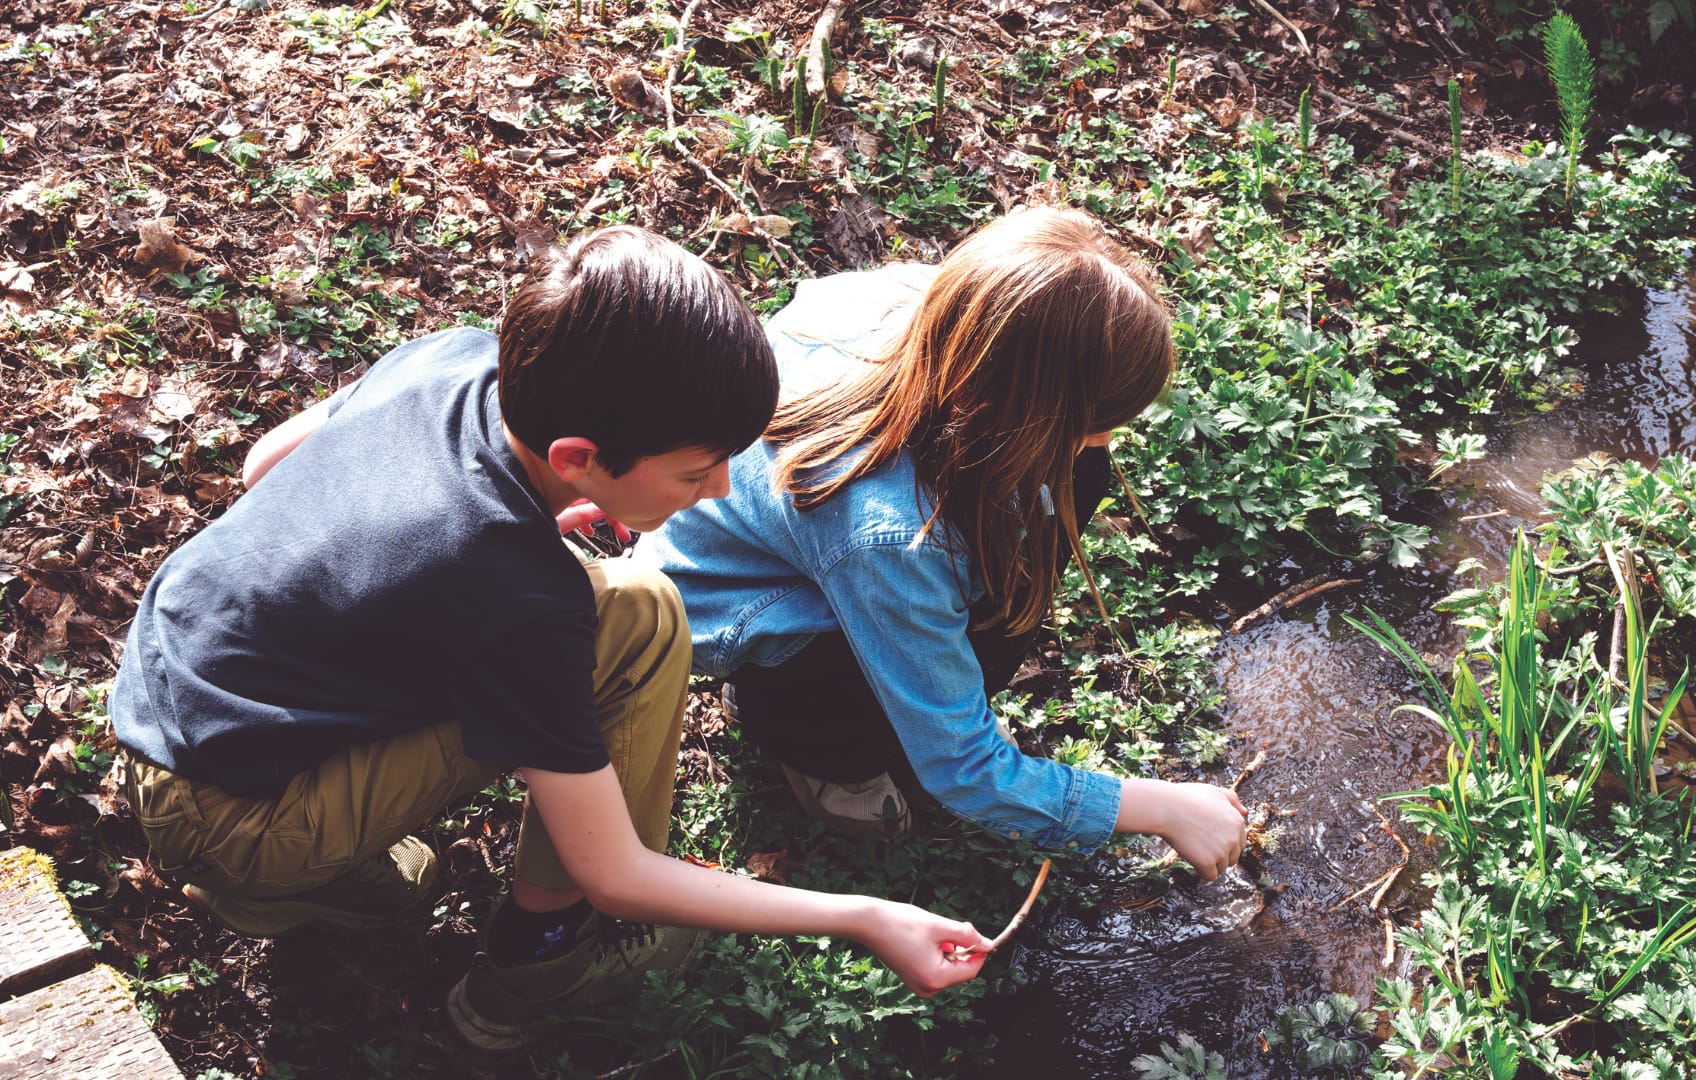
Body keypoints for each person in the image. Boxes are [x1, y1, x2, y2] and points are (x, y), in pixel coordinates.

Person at [109, 225, 987, 1053]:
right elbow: (617, 872)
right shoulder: (519, 597)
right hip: (232, 816)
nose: (720, 488)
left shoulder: (457, 360)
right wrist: (866, 915)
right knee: (637, 627)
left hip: (164, 691)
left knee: (618, 610)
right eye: (693, 470)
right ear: (576, 456)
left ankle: (302, 874)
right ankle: (545, 958)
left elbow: (265, 464)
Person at [650, 207, 1247, 876]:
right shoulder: (891, 535)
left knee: (1072, 484)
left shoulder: (951, 313)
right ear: (1004, 408)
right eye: (1090, 424)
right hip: (740, 604)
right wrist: (1160, 807)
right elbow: (962, 771)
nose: (1102, 444)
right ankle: (816, 750)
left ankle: (893, 679)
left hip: (819, 546)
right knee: (885, 688)